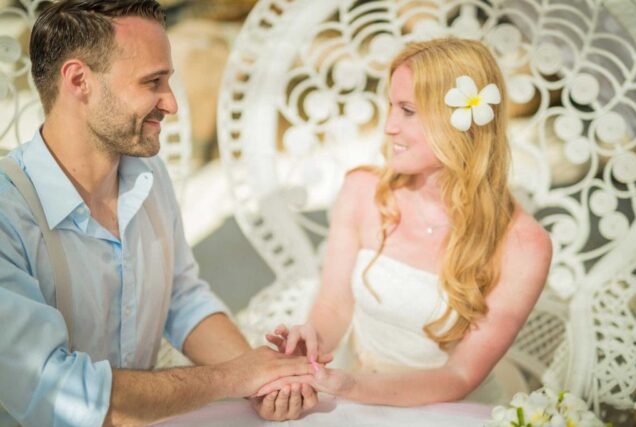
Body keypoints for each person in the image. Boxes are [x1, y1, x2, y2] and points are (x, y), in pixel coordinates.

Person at [0, 1, 323, 425]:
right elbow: (63, 393)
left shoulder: (148, 174)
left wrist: (265, 378)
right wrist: (234, 377)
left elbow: (182, 298)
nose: (171, 103)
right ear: (79, 81)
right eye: (153, 82)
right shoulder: (7, 215)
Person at [255, 38, 553, 406]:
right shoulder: (362, 191)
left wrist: (348, 387)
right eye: (391, 107)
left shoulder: (523, 245)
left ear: (461, 122)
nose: (389, 126)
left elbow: (460, 376)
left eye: (408, 110)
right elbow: (334, 305)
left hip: (450, 409)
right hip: (357, 386)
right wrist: (308, 349)